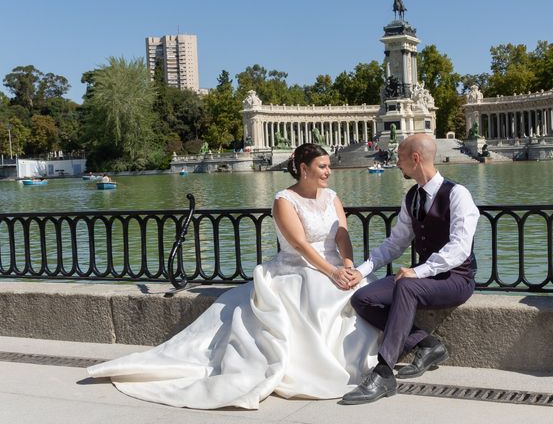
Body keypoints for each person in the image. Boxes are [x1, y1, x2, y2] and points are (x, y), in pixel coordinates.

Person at [87, 143, 380, 410]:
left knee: (360, 290)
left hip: (334, 265)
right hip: (297, 267)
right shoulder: (284, 200)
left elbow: (342, 235)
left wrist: (348, 265)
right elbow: (301, 246)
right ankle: (323, 366)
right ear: (304, 169)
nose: (329, 171)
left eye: (328, 166)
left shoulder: (331, 197)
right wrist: (331, 272)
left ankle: (363, 360)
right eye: (322, 166)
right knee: (322, 291)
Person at [340, 134, 479, 405]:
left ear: (415, 159)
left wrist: (420, 271)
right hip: (422, 278)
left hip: (457, 279)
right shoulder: (412, 197)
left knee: (406, 284)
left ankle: (384, 372)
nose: (397, 164)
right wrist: (362, 269)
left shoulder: (458, 194)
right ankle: (427, 345)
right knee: (362, 298)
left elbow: (460, 248)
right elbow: (395, 243)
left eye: (400, 158)